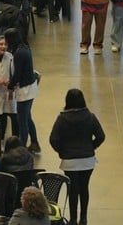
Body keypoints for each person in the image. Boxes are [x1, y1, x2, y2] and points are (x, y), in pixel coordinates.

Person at [48, 89, 106, 225]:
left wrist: (62, 151)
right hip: (87, 161)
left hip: (69, 161)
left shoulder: (62, 119)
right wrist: (91, 147)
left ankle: (73, 218)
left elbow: (53, 139)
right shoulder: (90, 117)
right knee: (84, 187)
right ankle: (84, 218)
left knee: (73, 188)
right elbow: (101, 136)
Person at [6, 29, 41, 153]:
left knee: (22, 121)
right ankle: (35, 143)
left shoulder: (19, 53)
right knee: (27, 118)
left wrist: (10, 86)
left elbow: (17, 74)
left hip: (25, 91)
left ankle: (22, 149)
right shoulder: (23, 48)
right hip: (30, 88)